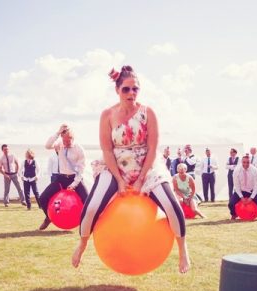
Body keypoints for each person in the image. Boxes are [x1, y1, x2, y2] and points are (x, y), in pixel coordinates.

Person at [72, 66, 190, 274]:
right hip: (115, 166)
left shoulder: (148, 112)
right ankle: (82, 243)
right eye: (126, 89)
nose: (131, 93)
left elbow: (153, 147)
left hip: (147, 166)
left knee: (173, 206)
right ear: (117, 90)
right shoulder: (107, 115)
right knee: (91, 207)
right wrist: (118, 180)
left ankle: (182, 249)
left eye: (135, 89)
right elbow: (107, 150)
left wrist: (141, 179)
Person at [38, 125, 89, 230]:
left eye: (67, 141)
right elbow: (47, 145)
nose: (65, 143)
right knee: (42, 198)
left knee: (87, 201)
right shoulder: (59, 144)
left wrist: (74, 184)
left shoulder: (79, 149)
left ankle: (85, 224)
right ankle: (48, 218)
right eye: (64, 140)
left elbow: (81, 170)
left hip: (75, 178)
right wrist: (57, 133)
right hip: (61, 179)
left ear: (72, 138)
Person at [228, 155, 257, 220]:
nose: (245, 164)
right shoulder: (236, 171)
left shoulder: (254, 170)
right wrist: (241, 197)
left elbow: (256, 186)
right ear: (241, 162)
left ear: (250, 162)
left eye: (247, 162)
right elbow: (236, 186)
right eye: (244, 162)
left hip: (251, 190)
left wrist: (251, 198)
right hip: (241, 190)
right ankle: (234, 214)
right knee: (231, 204)